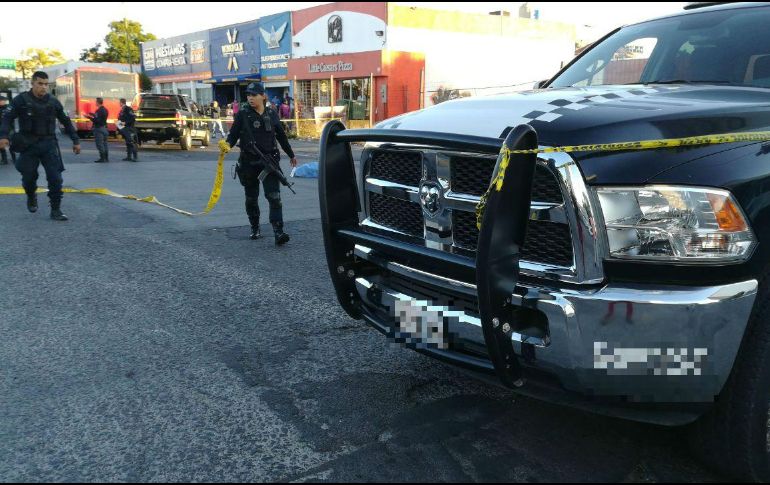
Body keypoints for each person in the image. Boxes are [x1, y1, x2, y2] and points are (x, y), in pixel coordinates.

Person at [0, 71, 81, 221]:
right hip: (28, 145)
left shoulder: (53, 101)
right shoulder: (21, 100)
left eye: (46, 84)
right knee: (29, 177)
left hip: (49, 144)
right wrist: (3, 136)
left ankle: (56, 210)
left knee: (55, 178)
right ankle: (31, 195)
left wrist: (75, 140)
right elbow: (7, 118)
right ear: (33, 83)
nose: (43, 87)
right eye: (40, 84)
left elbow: (66, 121)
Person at [226, 82, 298, 244]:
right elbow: (233, 136)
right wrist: (226, 146)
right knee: (251, 198)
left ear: (263, 96)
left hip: (269, 162)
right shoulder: (243, 114)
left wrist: (291, 154)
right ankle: (255, 227)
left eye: (254, 95)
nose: (250, 98)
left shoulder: (272, 114)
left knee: (274, 197)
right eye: (248, 95)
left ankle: (278, 232)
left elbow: (281, 136)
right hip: (248, 162)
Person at [85, 97, 109, 163]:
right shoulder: (105, 110)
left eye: (96, 102)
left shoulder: (99, 111)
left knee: (99, 144)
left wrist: (89, 117)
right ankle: (106, 158)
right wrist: (92, 114)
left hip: (99, 129)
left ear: (98, 102)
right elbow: (100, 117)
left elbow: (97, 120)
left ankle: (102, 158)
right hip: (104, 128)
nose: (95, 103)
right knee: (105, 144)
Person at [0, 96, 16, 165]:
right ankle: (4, 160)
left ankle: (14, 159)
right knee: (1, 145)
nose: (3, 101)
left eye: (3, 100)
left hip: (10, 129)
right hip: (1, 129)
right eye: (2, 100)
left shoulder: (8, 108)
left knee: (11, 144)